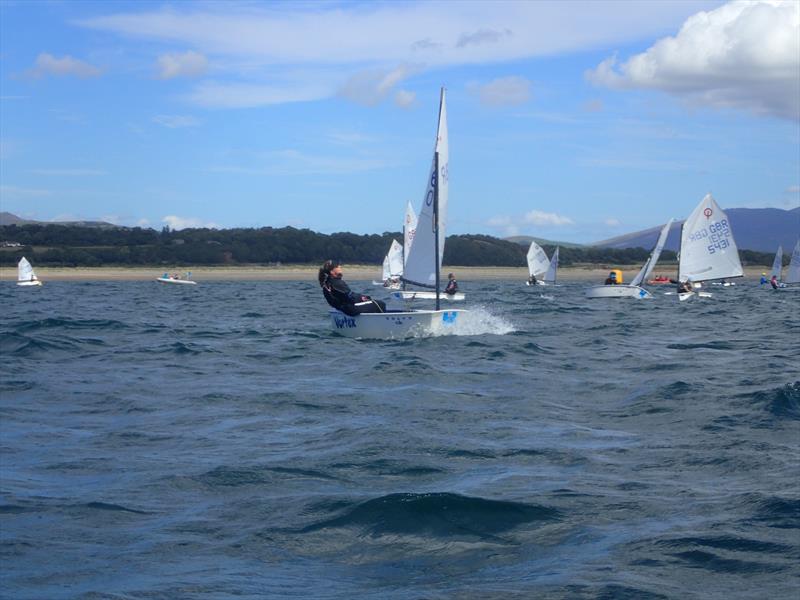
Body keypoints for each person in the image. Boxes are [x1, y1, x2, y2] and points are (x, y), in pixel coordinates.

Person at [318, 260, 386, 316]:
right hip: (350, 309)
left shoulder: (327, 283)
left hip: (342, 308)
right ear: (332, 272)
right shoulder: (336, 283)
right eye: (337, 266)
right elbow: (351, 298)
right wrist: (363, 298)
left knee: (370, 303)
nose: (339, 266)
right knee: (380, 304)